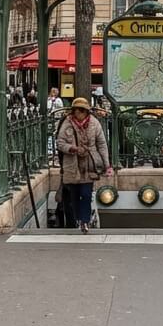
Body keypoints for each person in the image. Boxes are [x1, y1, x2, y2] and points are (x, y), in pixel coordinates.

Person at [55, 98, 110, 234]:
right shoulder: (66, 123)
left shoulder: (94, 123)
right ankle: (79, 218)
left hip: (89, 163)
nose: (77, 114)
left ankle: (84, 221)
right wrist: (72, 148)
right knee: (74, 195)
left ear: (85, 112)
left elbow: (102, 144)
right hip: (72, 164)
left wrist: (107, 164)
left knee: (86, 194)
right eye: (75, 111)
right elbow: (60, 143)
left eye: (80, 112)